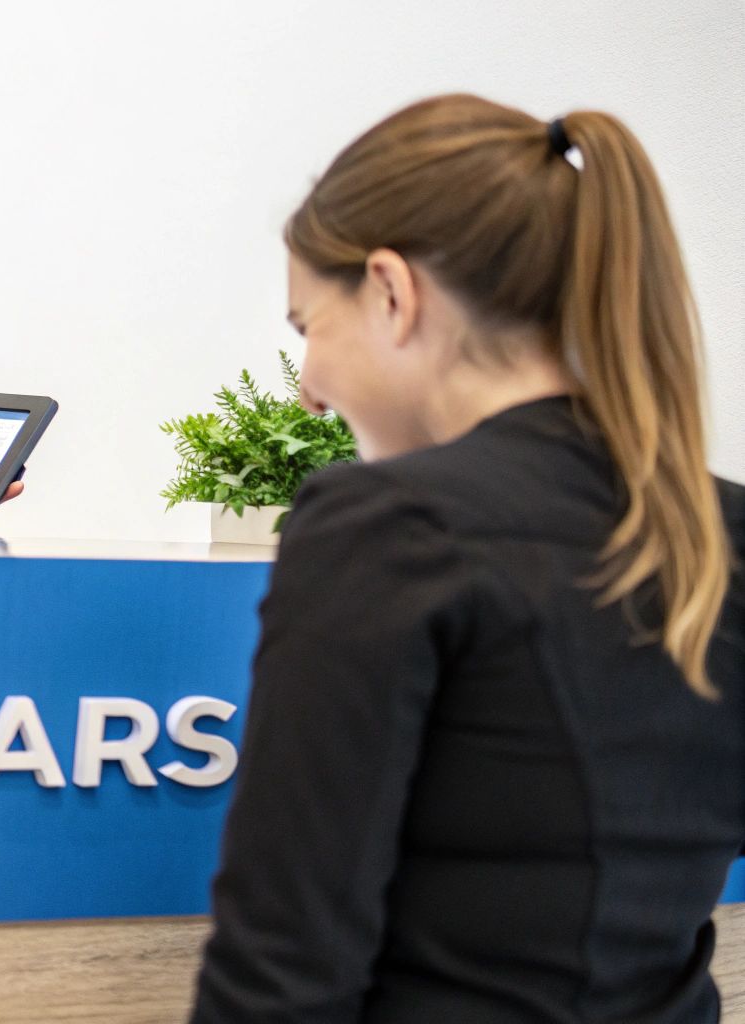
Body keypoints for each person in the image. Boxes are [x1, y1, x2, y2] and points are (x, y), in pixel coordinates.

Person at [191, 94, 745, 1022]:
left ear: (392, 292)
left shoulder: (390, 525)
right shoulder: (719, 526)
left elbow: (283, 958)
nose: (310, 391)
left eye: (307, 330)